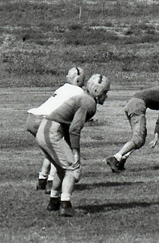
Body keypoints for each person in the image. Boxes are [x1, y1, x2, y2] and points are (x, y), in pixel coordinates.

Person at [36, 74, 109, 217]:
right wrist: (75, 151)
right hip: (51, 131)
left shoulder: (84, 99)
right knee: (72, 169)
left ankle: (54, 201)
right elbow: (74, 128)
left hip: (46, 130)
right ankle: (65, 205)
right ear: (96, 90)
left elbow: (68, 125)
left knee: (61, 168)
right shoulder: (88, 102)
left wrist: (71, 147)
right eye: (105, 92)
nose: (106, 96)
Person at [26, 67, 87, 190]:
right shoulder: (78, 91)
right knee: (59, 151)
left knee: (51, 151)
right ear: (78, 79)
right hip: (47, 120)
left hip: (32, 118)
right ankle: (51, 181)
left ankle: (42, 179)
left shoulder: (63, 88)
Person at [106, 82, 159, 173]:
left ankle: (121, 161)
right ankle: (115, 158)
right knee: (138, 138)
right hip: (137, 106)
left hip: (131, 103)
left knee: (140, 139)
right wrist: (156, 138)